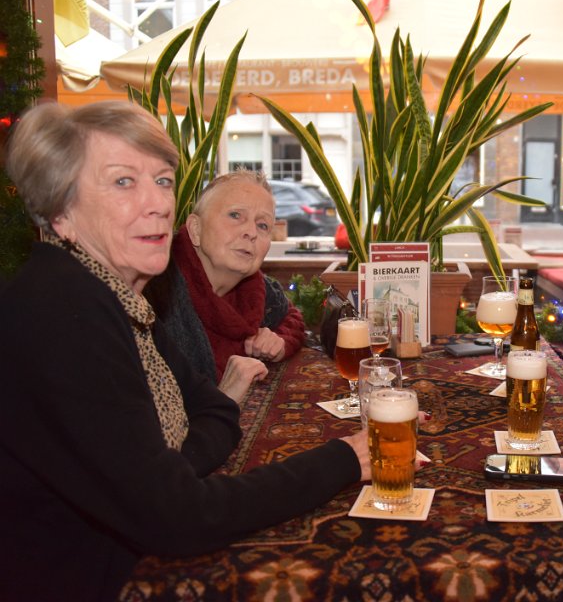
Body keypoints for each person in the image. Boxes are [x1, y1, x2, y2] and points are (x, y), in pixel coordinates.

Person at [0, 101, 370, 602]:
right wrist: (343, 458)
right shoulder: (62, 311)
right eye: (123, 182)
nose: (157, 203)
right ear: (60, 211)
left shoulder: (119, 297)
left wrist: (172, 468)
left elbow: (215, 407)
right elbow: (182, 518)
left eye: (163, 181)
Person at [147, 170, 305, 402]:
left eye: (262, 225)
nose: (251, 232)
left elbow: (292, 317)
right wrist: (225, 399)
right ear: (195, 230)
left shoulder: (256, 289)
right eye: (235, 215)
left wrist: (280, 340)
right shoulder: (154, 294)